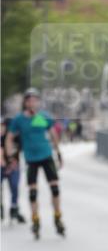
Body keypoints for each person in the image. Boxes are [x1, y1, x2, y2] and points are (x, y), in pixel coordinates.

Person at [5, 90, 64, 239]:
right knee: (32, 192)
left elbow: (53, 134)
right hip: (31, 158)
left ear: (38, 102)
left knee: (55, 188)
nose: (32, 103)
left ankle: (57, 217)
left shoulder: (43, 117)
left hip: (46, 156)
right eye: (30, 100)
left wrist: (58, 153)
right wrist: (10, 155)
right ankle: (35, 220)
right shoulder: (19, 120)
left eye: (35, 100)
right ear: (25, 103)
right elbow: (9, 138)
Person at [1, 116, 27, 224]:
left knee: (14, 186)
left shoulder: (18, 137)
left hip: (14, 166)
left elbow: (21, 150)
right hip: (2, 165)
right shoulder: (1, 137)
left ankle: (14, 208)